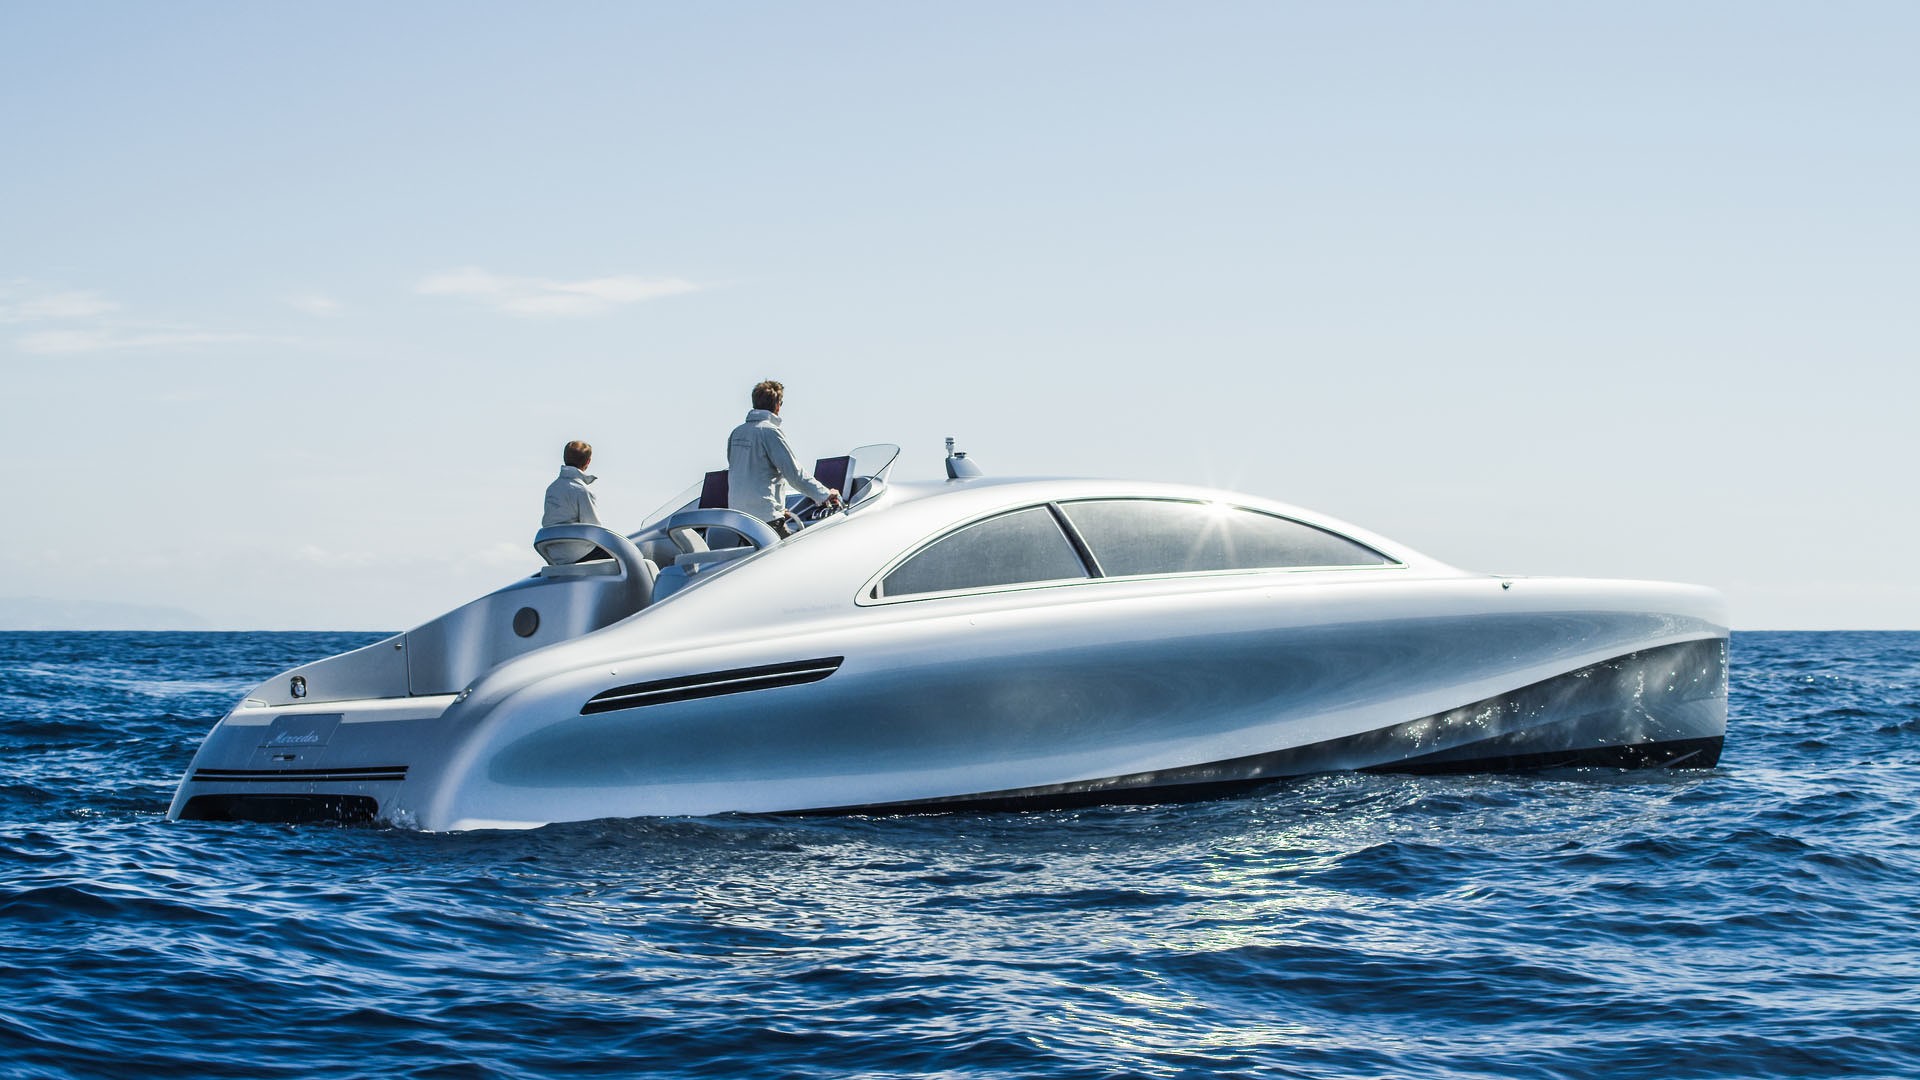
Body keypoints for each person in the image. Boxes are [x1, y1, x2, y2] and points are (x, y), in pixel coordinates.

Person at [727, 380, 839, 538]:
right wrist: (825, 495)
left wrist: (780, 509)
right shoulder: (770, 432)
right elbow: (794, 474)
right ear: (777, 405)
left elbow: (743, 471)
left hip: (740, 521)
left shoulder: (737, 433)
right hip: (766, 518)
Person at [539, 440, 612, 563]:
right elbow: (593, 529)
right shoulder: (582, 491)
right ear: (588, 461)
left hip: (553, 553)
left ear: (564, 458)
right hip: (578, 554)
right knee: (622, 557)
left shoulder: (552, 488)